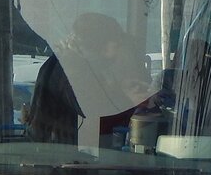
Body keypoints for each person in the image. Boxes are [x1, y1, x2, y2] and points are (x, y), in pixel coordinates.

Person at [27, 13, 154, 145]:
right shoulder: (74, 71)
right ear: (101, 45)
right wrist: (128, 101)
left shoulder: (67, 63)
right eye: (115, 46)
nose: (116, 53)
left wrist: (119, 88)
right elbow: (93, 113)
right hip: (68, 150)